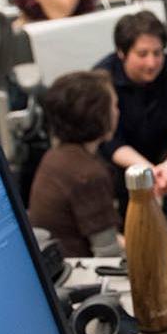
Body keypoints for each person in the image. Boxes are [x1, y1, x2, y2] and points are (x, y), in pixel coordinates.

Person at [91, 10, 167, 224]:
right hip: (123, 157)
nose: (152, 63)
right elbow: (108, 140)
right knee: (101, 171)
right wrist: (146, 170)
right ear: (122, 52)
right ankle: (127, 209)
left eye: (158, 53)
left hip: (164, 149)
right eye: (142, 54)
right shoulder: (102, 77)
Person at [29, 71, 123, 259]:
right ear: (98, 116)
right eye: (114, 106)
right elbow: (108, 253)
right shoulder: (89, 175)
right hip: (79, 272)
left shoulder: (55, 156)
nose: (118, 112)